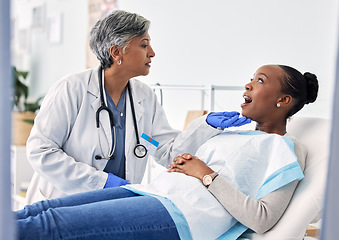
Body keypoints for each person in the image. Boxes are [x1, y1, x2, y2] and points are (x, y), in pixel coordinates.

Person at [16, 64, 319, 240]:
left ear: (283, 99)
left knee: (48, 227)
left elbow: (263, 218)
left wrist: (205, 174)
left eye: (260, 81)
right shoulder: (232, 134)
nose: (248, 84)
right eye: (252, 78)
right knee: (41, 212)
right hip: (153, 192)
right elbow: (172, 153)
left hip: (181, 215)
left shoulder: (287, 148)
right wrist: (186, 163)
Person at [25, 10, 250, 204]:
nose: (152, 53)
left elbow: (166, 152)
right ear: (116, 52)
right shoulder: (72, 89)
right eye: (144, 45)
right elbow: (40, 150)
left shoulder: (144, 97)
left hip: (115, 204)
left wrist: (205, 125)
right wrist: (101, 183)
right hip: (62, 203)